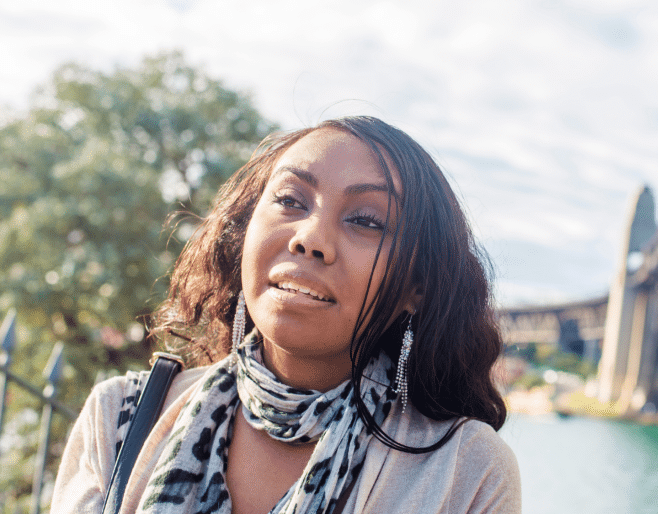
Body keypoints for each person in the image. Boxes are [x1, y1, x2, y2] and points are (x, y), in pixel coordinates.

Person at [53, 116, 521, 513]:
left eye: (366, 220)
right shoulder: (120, 418)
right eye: (290, 200)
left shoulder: (466, 472)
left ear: (417, 286)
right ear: (243, 235)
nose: (310, 238)